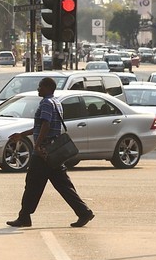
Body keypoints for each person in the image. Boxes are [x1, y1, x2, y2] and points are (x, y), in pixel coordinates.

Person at [7, 77, 94, 229]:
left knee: (32, 184)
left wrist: (38, 145)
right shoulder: (56, 102)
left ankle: (24, 217)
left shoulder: (46, 103)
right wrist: (22, 134)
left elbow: (46, 125)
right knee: (64, 185)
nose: (38, 89)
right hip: (54, 151)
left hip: (44, 152)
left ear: (47, 88)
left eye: (40, 86)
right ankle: (83, 212)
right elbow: (40, 126)